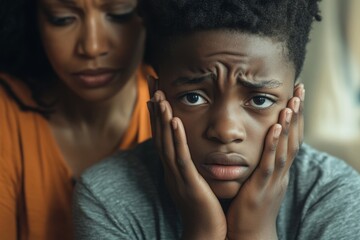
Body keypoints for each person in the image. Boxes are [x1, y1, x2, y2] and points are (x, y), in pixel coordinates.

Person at [73, 0, 360, 239]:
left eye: (259, 100)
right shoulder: (107, 198)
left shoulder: (333, 196)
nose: (225, 130)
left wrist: (254, 232)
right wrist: (202, 231)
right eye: (193, 97)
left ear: (295, 102)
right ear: (156, 97)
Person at [0, 0, 151, 239]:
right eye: (62, 19)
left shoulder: (180, 106)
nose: (92, 47)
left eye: (119, 15)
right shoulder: (6, 115)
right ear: (33, 19)